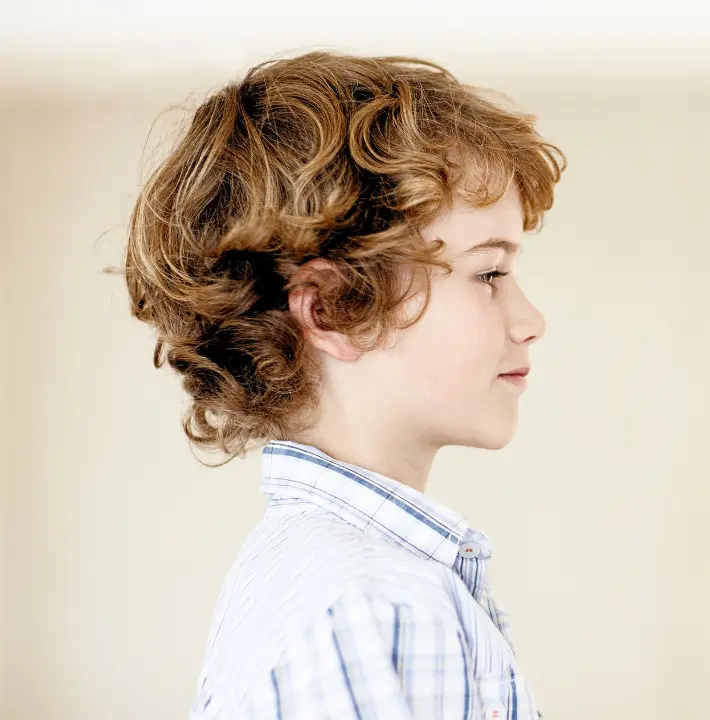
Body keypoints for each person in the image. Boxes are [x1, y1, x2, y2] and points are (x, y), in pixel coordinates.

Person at [124, 51, 564, 719]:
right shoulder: (371, 606)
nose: (531, 320)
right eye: (489, 274)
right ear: (334, 312)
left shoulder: (321, 577)